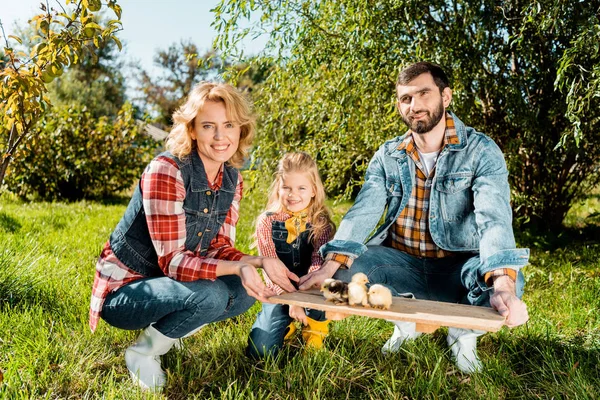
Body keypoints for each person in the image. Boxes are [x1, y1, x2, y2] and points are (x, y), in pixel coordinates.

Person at [298, 62, 529, 374]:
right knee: (336, 281)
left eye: (424, 94)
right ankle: (404, 322)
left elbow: (494, 218)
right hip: (401, 266)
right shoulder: (388, 154)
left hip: (457, 268)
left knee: (506, 286)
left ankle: (461, 334)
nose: (415, 105)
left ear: (445, 97)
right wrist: (328, 265)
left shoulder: (481, 150)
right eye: (406, 98)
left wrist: (502, 281)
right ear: (398, 105)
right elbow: (364, 210)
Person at [89, 82, 299, 391]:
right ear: (191, 130)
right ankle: (144, 352)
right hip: (127, 290)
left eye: (229, 125)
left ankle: (166, 330)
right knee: (211, 295)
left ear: (241, 129)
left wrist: (259, 262)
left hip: (169, 283)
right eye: (208, 126)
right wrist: (244, 265)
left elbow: (217, 246)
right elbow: (174, 262)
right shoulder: (167, 170)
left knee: (242, 293)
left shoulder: (232, 179)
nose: (220, 136)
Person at [246, 152, 336, 358]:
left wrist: (303, 299)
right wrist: (292, 301)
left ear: (313, 190)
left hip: (311, 289)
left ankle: (314, 330)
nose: (293, 194)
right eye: (286, 188)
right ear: (279, 188)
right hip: (278, 291)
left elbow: (317, 265)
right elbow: (271, 270)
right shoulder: (267, 222)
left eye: (301, 188)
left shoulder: (321, 224)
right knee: (260, 352)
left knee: (326, 287)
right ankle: (286, 326)